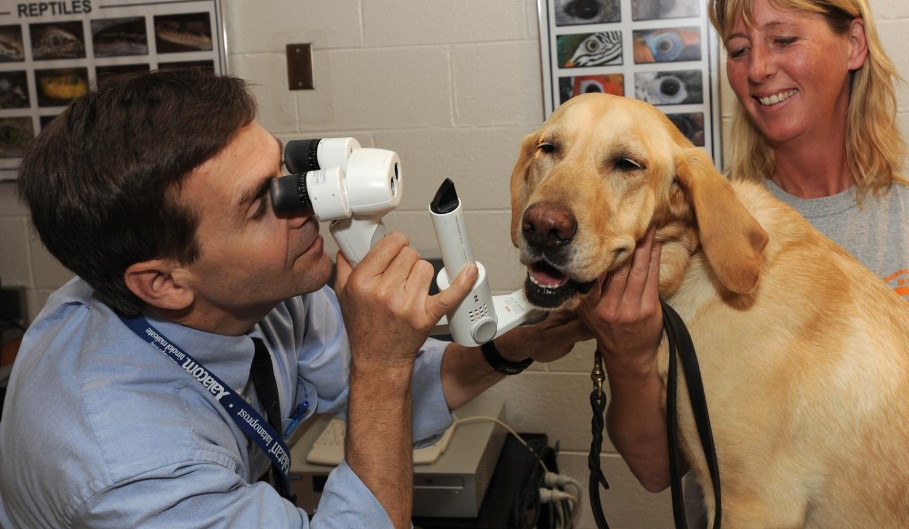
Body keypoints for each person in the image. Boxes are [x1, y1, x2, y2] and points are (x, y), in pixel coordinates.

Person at [0, 68, 589, 529]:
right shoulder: (128, 467)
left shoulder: (260, 287)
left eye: (287, 170)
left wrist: (515, 346)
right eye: (262, 203)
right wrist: (381, 367)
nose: (307, 202)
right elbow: (379, 388)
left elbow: (379, 391)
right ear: (164, 283)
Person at [580, 0, 909, 520]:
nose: (758, 69)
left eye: (783, 40)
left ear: (854, 45)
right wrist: (627, 355)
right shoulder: (694, 226)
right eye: (738, 50)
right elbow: (657, 470)